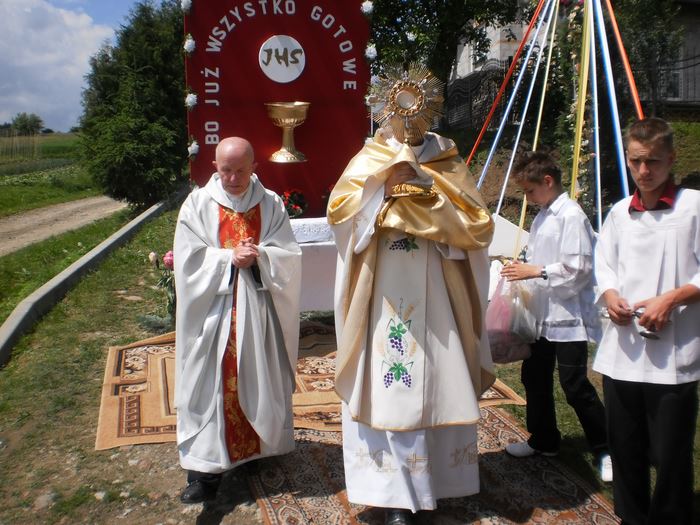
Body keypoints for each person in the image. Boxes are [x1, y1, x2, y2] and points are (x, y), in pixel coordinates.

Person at [327, 67, 495, 525]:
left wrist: (432, 207)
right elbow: (341, 218)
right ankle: (393, 497)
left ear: (429, 114)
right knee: (387, 391)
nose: (408, 125)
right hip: (383, 293)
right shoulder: (370, 158)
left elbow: (476, 227)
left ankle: (434, 486)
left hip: (438, 292)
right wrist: (381, 194)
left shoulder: (446, 160)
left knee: (439, 387)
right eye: (400, 117)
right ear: (387, 114)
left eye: (416, 116)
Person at [173, 137, 302, 504]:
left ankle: (253, 454)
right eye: (225, 170)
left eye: (240, 171)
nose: (232, 178)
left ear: (253, 167)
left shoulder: (271, 203)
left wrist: (260, 256)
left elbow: (288, 255)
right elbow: (187, 260)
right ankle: (204, 475)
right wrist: (228, 258)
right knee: (210, 387)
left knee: (259, 376)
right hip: (214, 316)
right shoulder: (197, 204)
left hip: (258, 312)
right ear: (215, 166)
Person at [593, 117, 699, 524]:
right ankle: (631, 516)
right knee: (625, 446)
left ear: (671, 159)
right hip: (624, 351)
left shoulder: (693, 207)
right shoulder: (620, 213)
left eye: (653, 161)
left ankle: (671, 516)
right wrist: (611, 297)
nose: (644, 170)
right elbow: (604, 265)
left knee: (671, 452)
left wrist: (671, 298)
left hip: (674, 353)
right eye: (636, 161)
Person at [500, 151, 611, 482]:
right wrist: (522, 267)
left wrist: (535, 270)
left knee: (574, 385)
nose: (528, 198)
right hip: (542, 313)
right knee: (534, 376)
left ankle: (607, 448)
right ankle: (543, 438)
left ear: (547, 181)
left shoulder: (571, 216)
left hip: (567, 316)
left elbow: (579, 268)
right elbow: (538, 256)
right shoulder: (544, 216)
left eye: (530, 191)